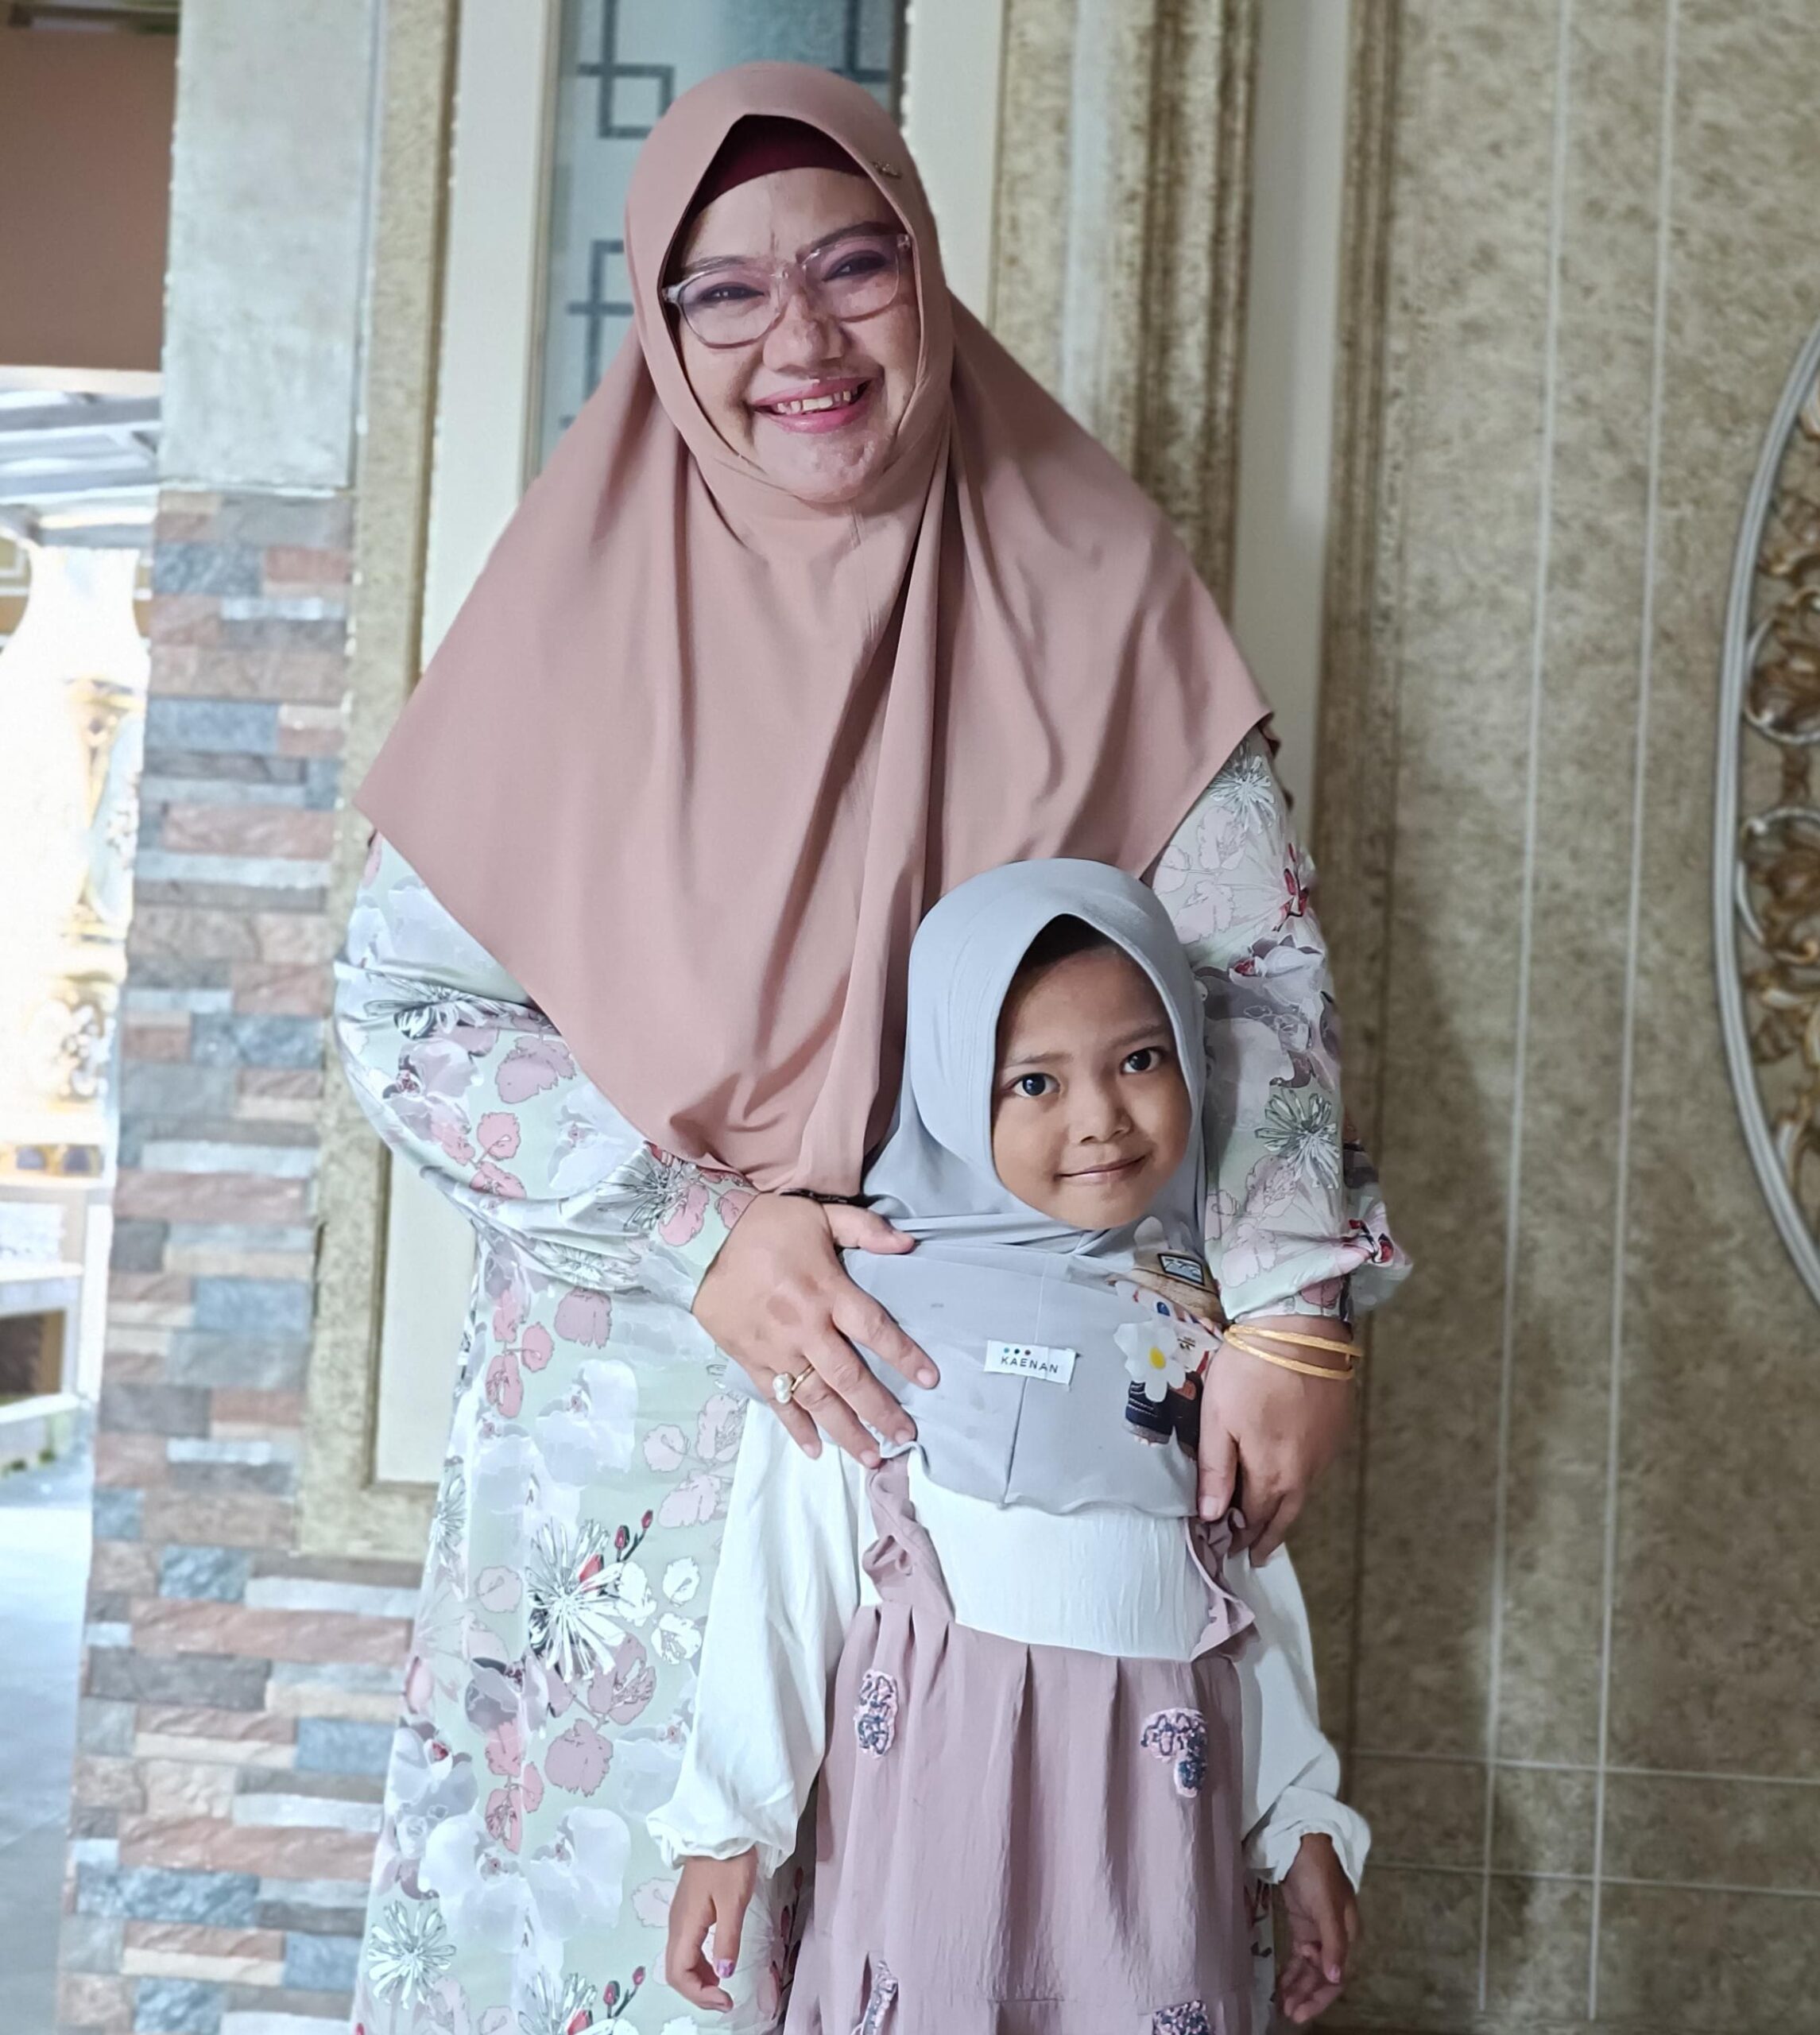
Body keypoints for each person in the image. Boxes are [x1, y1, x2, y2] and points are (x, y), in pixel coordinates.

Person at [338, 60, 1405, 2035]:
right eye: (723, 293)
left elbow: (1247, 980)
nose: (800, 344)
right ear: (660, 327)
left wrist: (1287, 1310)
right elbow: (403, 1011)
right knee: (647, 1968)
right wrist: (703, 1230)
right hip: (656, 1427)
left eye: (851, 266)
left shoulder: (1085, 571)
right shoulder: (572, 616)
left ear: (923, 264)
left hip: (1026, 1426)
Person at [653, 862, 1369, 2035]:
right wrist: (729, 1826)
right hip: (936, 1808)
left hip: (1153, 1823)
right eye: (1034, 1081)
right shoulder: (871, 1311)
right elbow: (784, 1578)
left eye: (1140, 1060)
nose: (1100, 1118)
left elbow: (1241, 1586)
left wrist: (1298, 1819)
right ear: (949, 1087)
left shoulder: (1204, 1318)